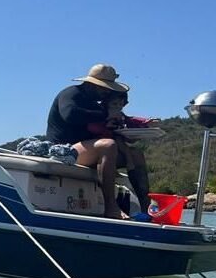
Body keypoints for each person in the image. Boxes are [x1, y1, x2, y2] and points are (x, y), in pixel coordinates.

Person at [46, 64, 151, 219]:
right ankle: (111, 207)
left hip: (89, 150)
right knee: (108, 145)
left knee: (136, 154)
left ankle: (146, 208)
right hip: (66, 150)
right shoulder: (71, 94)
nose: (107, 92)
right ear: (91, 84)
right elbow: (70, 114)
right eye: (104, 88)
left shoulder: (97, 104)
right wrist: (105, 115)